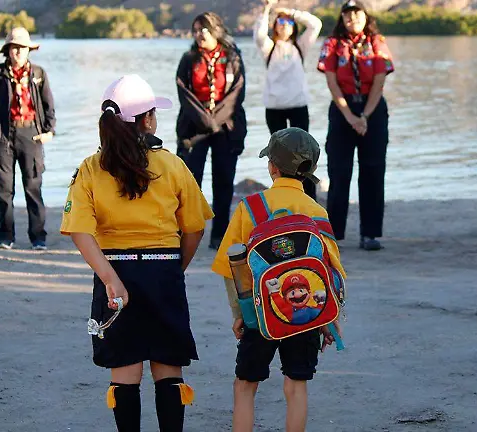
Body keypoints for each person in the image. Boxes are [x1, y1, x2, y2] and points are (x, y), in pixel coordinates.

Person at [60, 75, 214, 431]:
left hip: (115, 272)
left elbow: (78, 230)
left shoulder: (90, 168)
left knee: (125, 369)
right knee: (168, 368)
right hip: (163, 272)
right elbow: (194, 228)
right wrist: (176, 266)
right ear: (147, 120)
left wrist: (110, 278)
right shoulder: (172, 165)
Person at [211, 127, 346, 432]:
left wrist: (240, 315)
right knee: (295, 387)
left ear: (272, 167)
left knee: (245, 386)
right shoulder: (316, 211)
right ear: (309, 171)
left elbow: (232, 268)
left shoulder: (251, 207)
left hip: (259, 315)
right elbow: (332, 271)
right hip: (307, 313)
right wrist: (330, 317)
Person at [317, 0, 394, 251]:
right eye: (348, 16)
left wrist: (365, 116)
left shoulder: (376, 42)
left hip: (373, 108)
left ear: (365, 15)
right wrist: (350, 116)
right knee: (339, 172)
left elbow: (380, 81)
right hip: (342, 110)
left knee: (373, 171)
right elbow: (331, 82)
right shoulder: (332, 44)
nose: (353, 19)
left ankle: (370, 234)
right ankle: (334, 234)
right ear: (342, 18)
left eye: (357, 14)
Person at [0, 27, 55, 250]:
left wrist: (49, 131)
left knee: (33, 187)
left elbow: (49, 106)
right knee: (5, 190)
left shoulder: (39, 74)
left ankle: (38, 238)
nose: (18, 52)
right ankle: (6, 237)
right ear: (8, 50)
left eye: (22, 48)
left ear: (29, 50)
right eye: (14, 48)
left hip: (32, 135)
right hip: (2, 136)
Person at [176, 12, 247, 250]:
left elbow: (237, 92)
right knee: (189, 181)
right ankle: (187, 233)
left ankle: (219, 234)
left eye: (203, 29)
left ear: (216, 29)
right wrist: (205, 120)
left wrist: (216, 120)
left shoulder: (233, 57)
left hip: (227, 126)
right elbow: (183, 92)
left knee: (224, 180)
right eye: (195, 30)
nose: (199, 34)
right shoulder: (188, 59)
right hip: (194, 126)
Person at [255, 0, 323, 200]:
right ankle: (282, 197)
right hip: (274, 108)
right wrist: (267, 9)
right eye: (280, 22)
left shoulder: (300, 46)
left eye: (288, 23)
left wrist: (292, 13)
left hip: (298, 107)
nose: (284, 25)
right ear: (274, 26)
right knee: (277, 155)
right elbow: (259, 34)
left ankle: (309, 198)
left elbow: (315, 25)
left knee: (305, 154)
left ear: (293, 26)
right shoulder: (269, 48)